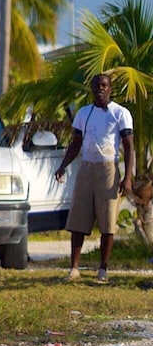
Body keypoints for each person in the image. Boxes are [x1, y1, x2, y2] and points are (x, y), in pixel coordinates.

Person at [54, 73, 136, 284]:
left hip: (108, 169)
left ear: (110, 89)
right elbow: (76, 143)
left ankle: (103, 269)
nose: (101, 89)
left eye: (104, 85)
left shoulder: (120, 113)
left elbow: (128, 146)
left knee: (108, 221)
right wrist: (63, 166)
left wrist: (127, 177)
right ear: (92, 88)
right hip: (87, 168)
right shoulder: (84, 113)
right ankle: (74, 268)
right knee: (78, 218)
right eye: (97, 85)